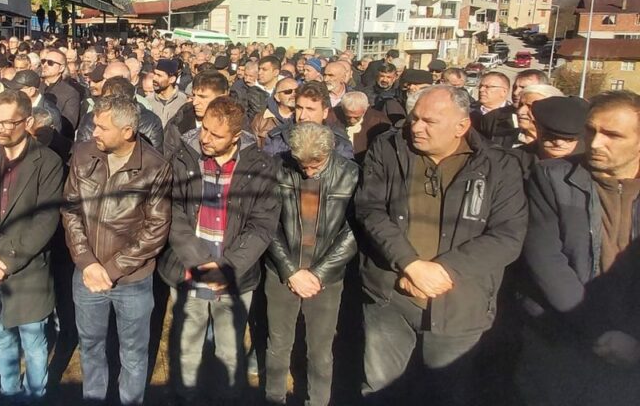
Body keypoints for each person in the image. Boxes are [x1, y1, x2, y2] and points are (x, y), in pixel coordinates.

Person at [355, 85, 528, 405]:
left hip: (461, 303)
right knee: (381, 389)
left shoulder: (498, 165)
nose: (416, 128)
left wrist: (441, 271)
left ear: (462, 127)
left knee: (445, 393)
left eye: (429, 122)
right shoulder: (389, 149)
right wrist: (410, 264)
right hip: (391, 296)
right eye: (414, 118)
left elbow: (507, 236)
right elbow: (370, 209)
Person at [519, 90, 640, 406]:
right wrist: (597, 331)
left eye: (612, 135)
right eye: (591, 131)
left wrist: (634, 341)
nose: (596, 143)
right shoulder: (551, 177)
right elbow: (546, 260)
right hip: (562, 336)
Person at [158, 97, 279, 404]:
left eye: (216, 134)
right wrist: (199, 262)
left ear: (237, 137)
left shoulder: (261, 166)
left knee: (229, 350)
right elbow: (174, 214)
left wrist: (227, 267)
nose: (205, 139)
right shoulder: (184, 158)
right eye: (205, 130)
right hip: (189, 269)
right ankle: (185, 397)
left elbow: (262, 226)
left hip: (235, 276)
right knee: (186, 347)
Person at [62, 96, 172, 406]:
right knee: (91, 347)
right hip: (87, 276)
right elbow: (71, 210)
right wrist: (87, 261)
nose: (93, 131)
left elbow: (155, 231)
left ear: (127, 131)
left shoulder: (154, 167)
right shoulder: (83, 155)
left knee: (134, 353)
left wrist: (110, 270)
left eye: (101, 126)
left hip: (132, 281)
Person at [0, 90, 64, 404]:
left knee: (34, 342)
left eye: (11, 123)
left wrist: (3, 260)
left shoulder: (47, 161)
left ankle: (35, 395)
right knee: (0, 338)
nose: (2, 129)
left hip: (28, 269)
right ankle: (9, 392)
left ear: (28, 121)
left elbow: (46, 221)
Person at [263, 122, 359, 406]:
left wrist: (319, 273)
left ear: (329, 152)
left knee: (320, 350)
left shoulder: (350, 174)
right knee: (277, 345)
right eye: (302, 165)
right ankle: (273, 398)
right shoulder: (277, 168)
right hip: (282, 272)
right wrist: (290, 270)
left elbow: (354, 230)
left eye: (315, 165)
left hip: (326, 277)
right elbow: (266, 223)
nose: (308, 171)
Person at [264, 82, 355, 160]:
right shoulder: (277, 139)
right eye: (299, 108)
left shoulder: (340, 143)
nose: (302, 116)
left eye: (310, 109)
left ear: (325, 112)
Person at [76, 77, 164, 151]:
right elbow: (82, 153)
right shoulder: (90, 119)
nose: (96, 133)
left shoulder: (151, 121)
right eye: (109, 101)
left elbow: (155, 158)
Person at [164, 71, 231, 158]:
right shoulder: (178, 123)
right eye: (194, 96)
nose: (195, 102)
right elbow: (167, 159)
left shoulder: (238, 125)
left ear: (222, 97)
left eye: (202, 97)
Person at [40, 49, 81, 137]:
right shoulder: (36, 87)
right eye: (43, 61)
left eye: (50, 63)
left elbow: (68, 126)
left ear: (61, 68)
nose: (45, 65)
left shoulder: (70, 93)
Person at [250, 78, 297, 150]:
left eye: (297, 91)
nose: (294, 94)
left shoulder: (302, 117)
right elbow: (253, 148)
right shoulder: (261, 119)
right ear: (277, 97)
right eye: (288, 91)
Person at [147, 59, 188, 127]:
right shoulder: (148, 101)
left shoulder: (183, 101)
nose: (154, 78)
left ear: (172, 79)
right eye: (155, 74)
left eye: (159, 75)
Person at [246, 56, 282, 120]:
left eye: (264, 70)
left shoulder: (287, 90)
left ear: (276, 72)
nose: (259, 73)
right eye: (259, 69)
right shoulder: (250, 89)